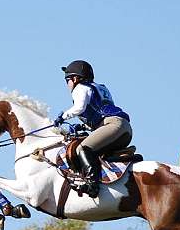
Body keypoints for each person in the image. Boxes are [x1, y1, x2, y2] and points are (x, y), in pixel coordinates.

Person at [53, 60, 132, 198]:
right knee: (95, 152)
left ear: (75, 78)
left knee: (82, 149)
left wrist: (63, 117)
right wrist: (84, 126)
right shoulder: (100, 88)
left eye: (67, 80)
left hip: (112, 125)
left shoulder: (80, 87)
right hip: (124, 129)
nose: (67, 85)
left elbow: (79, 108)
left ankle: (92, 184)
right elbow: (101, 111)